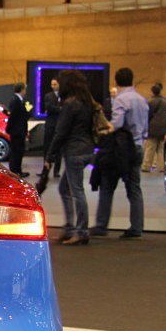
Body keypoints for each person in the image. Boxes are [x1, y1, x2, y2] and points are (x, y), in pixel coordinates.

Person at [92, 68, 146, 239]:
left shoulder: (121, 100)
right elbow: (145, 127)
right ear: (132, 80)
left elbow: (116, 125)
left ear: (116, 81)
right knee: (134, 188)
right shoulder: (141, 99)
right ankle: (137, 227)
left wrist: (102, 129)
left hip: (121, 150)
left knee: (107, 185)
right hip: (138, 146)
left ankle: (101, 225)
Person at [43, 70, 96, 245]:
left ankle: (80, 231)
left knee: (76, 191)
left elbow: (61, 133)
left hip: (74, 151)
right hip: (87, 149)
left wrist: (49, 156)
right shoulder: (87, 102)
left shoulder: (70, 104)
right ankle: (70, 229)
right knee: (65, 189)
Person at [143, 83, 166, 172]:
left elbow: (147, 115)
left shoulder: (150, 101)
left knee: (150, 148)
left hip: (153, 128)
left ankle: (146, 166)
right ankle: (162, 167)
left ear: (152, 91)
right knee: (161, 149)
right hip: (164, 128)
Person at [6, 82, 30, 177]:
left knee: (19, 151)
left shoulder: (19, 100)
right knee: (15, 151)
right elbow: (12, 117)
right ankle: (14, 170)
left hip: (19, 131)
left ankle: (18, 170)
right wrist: (9, 129)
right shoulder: (15, 101)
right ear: (22, 89)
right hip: (16, 131)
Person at [42, 77, 63, 177]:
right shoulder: (48, 96)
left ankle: (56, 171)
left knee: (59, 150)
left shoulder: (64, 96)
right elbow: (49, 107)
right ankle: (45, 171)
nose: (53, 86)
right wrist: (60, 109)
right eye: (52, 84)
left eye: (55, 84)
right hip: (50, 125)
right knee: (47, 148)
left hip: (60, 126)